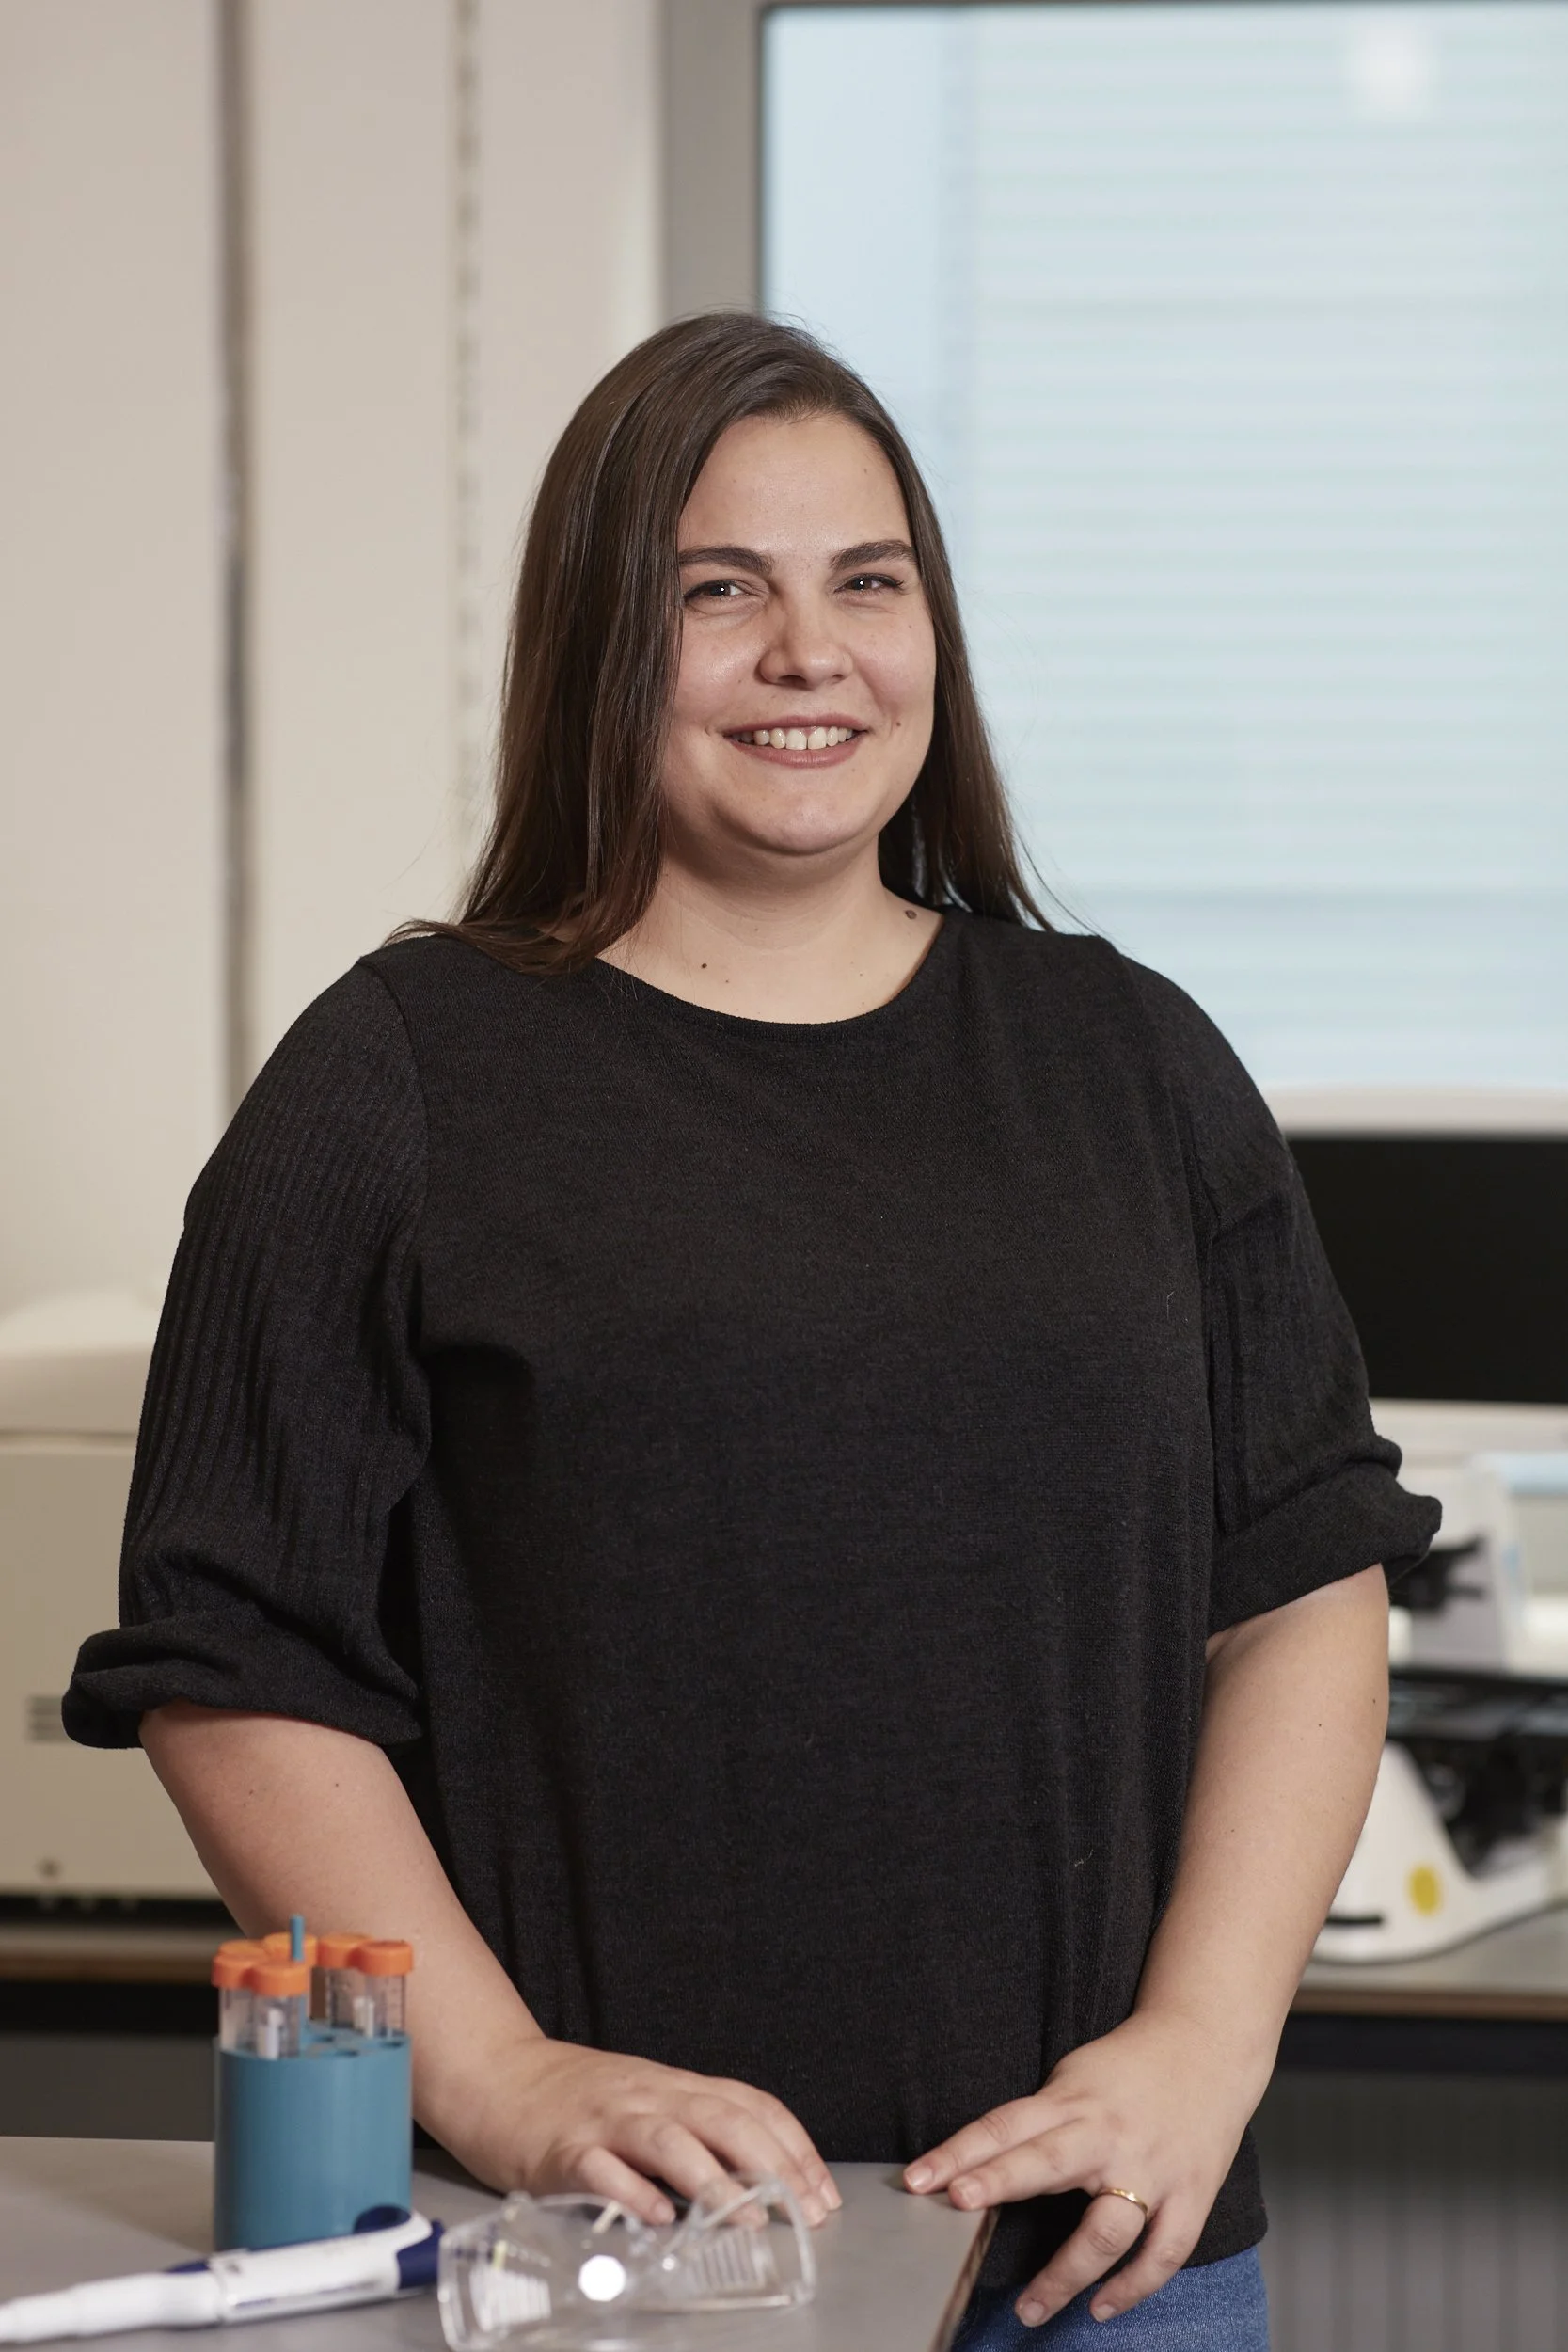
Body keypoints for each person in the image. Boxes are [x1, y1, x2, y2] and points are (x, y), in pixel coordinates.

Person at [67, 313, 1437, 2348]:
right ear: (602, 644)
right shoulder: (399, 1080)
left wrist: (1201, 2041)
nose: (812, 653)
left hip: (1112, 2240)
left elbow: (1300, 1579)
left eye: (864, 583)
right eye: (721, 591)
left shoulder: (1125, 1057)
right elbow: (235, 1655)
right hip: (621, 2262)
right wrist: (502, 2074)